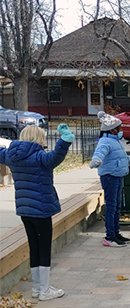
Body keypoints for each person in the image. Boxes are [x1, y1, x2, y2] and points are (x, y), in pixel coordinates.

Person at [0, 124, 74, 301]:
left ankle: (37, 287)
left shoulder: (12, 156)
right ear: (38, 138)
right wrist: (65, 140)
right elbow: (56, 156)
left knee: (34, 246)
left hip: (25, 209)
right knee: (44, 249)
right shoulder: (40, 157)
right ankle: (45, 290)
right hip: (41, 209)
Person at [90, 111, 130, 247]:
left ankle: (115, 232)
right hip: (110, 177)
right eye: (119, 128)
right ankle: (110, 236)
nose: (121, 130)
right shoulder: (105, 141)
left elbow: (119, 155)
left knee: (117, 206)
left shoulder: (115, 141)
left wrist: (127, 160)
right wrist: (96, 160)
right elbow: (100, 153)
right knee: (111, 206)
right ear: (112, 130)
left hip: (117, 175)